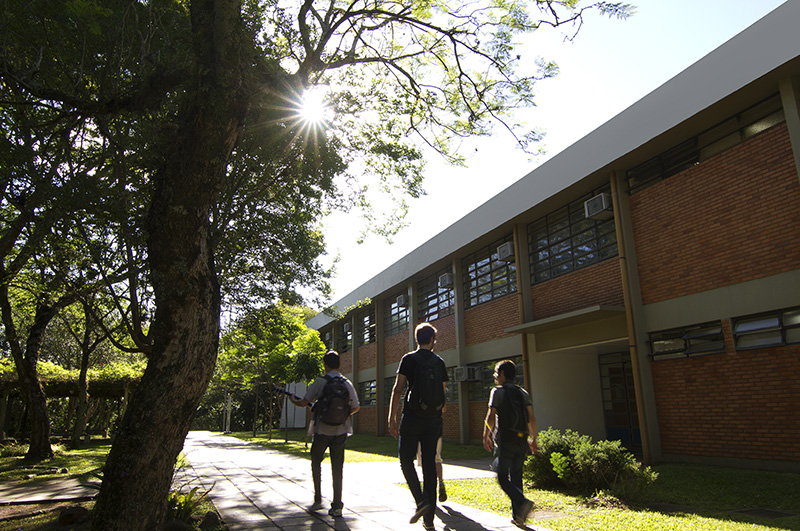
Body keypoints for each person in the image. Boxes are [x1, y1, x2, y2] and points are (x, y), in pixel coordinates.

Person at [389, 322, 448, 531]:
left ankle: (420, 501)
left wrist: (392, 417)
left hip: (412, 417)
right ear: (432, 340)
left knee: (406, 460)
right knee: (430, 466)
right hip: (433, 420)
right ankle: (429, 520)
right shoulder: (439, 362)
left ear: (417, 339)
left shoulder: (408, 359)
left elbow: (397, 389)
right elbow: (442, 392)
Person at [289, 351, 360, 517]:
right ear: (339, 364)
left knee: (316, 461)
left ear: (325, 365)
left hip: (322, 430)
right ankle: (337, 506)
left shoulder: (320, 382)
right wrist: (343, 415)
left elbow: (304, 402)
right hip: (341, 431)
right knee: (337, 468)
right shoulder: (346, 383)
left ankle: (317, 499)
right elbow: (356, 407)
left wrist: (294, 400)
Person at [482, 359, 537, 528]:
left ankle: (523, 501)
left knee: (502, 477)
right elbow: (531, 416)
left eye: (497, 373)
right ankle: (518, 517)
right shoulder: (523, 392)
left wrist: (486, 435)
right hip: (521, 440)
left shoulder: (497, 392)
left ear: (503, 374)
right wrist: (534, 438)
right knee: (517, 478)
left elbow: (491, 416)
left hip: (506, 440)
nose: (495, 376)